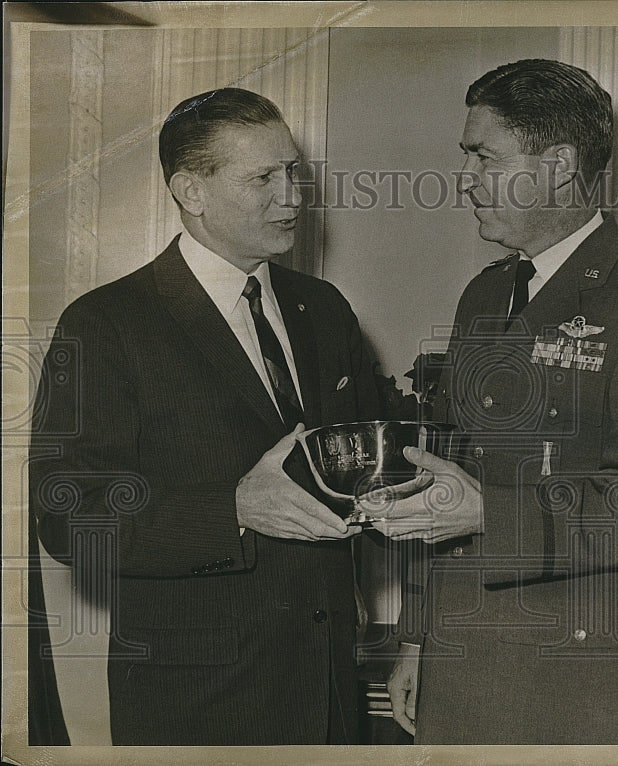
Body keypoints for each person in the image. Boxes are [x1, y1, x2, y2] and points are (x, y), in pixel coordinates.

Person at [372, 59, 618, 744]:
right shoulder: (486, 294)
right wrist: (416, 635)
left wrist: (487, 513)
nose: (467, 180)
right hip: (460, 655)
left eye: (484, 158)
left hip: (570, 674)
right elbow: (441, 465)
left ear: (558, 165)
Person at [30, 88, 380, 745]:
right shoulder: (106, 324)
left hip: (329, 693)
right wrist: (233, 510)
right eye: (262, 179)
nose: (293, 198)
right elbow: (69, 517)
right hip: (196, 706)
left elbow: (362, 463)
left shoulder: (325, 308)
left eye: (293, 172)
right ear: (190, 190)